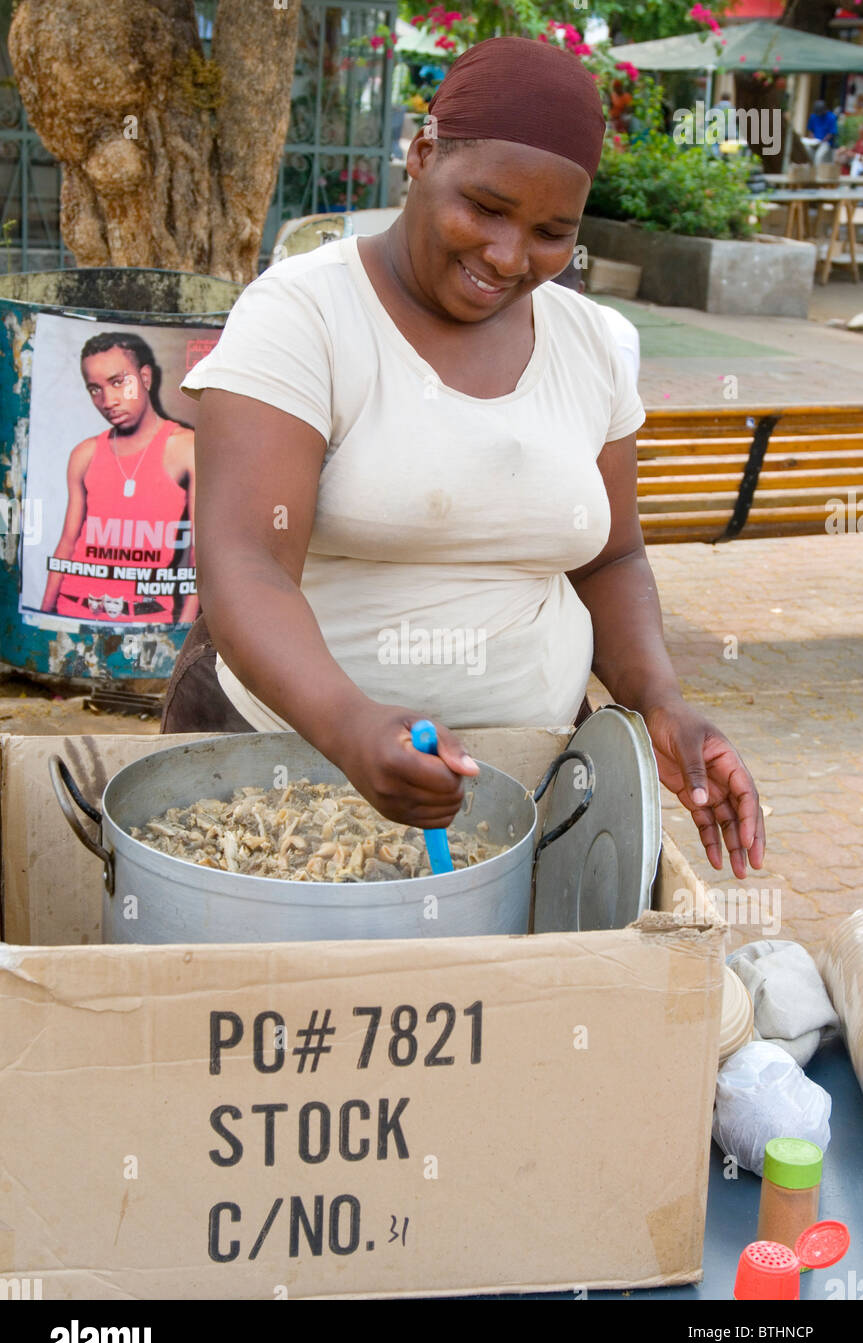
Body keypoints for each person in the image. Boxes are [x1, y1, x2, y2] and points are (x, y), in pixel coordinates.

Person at [165, 36, 765, 880]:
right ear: (419, 156)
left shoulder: (589, 344)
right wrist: (348, 725)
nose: (508, 256)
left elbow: (613, 556)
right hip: (284, 772)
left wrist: (660, 701)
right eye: (483, 207)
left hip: (525, 785)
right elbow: (245, 562)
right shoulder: (304, 313)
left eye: (552, 232)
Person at [41, 333, 199, 625]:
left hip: (147, 620)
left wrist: (185, 632)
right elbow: (66, 544)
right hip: (72, 610)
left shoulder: (185, 447)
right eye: (94, 389)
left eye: (118, 382)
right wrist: (42, 618)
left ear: (145, 378)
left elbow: (200, 556)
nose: (108, 400)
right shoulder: (85, 454)